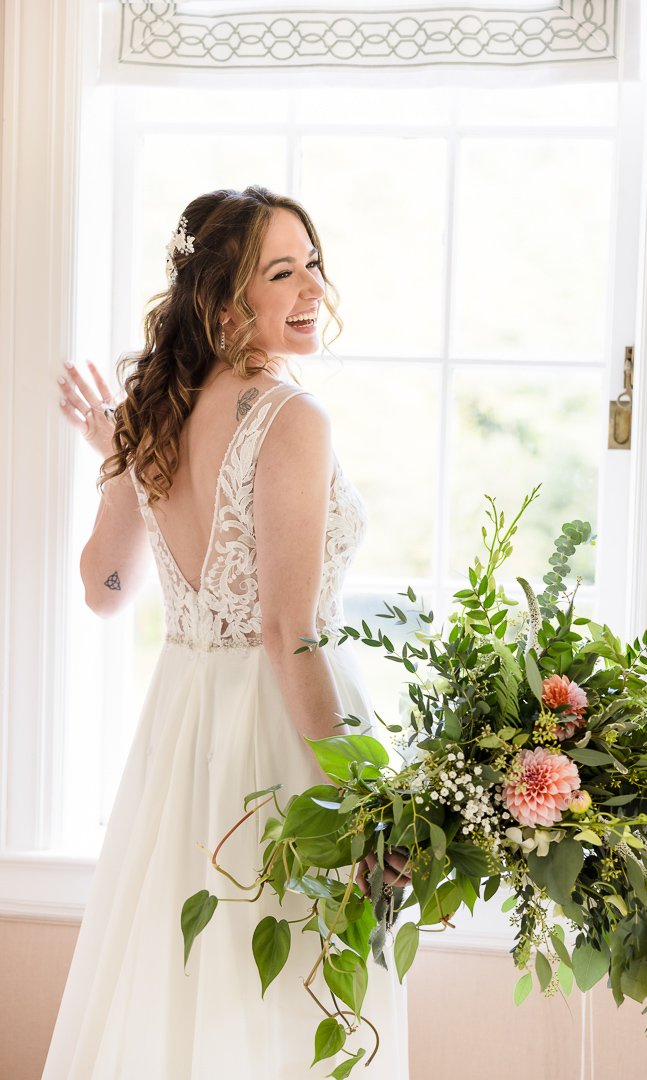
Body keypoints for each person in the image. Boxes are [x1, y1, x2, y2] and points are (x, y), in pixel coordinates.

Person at [43, 186, 411, 1078]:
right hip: (281, 740)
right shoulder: (292, 417)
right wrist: (367, 806)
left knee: (192, 983)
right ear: (221, 301)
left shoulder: (162, 411)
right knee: (291, 1005)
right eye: (281, 273)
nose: (312, 289)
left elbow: (105, 588)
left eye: (312, 263)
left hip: (183, 729)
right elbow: (290, 629)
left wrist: (120, 459)